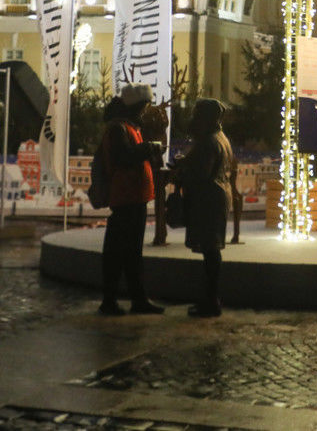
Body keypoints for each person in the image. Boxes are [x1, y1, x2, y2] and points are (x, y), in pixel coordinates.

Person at [98, 84, 164, 316]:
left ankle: (136, 299)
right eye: (145, 106)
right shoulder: (119, 129)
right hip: (126, 198)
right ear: (136, 106)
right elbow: (123, 158)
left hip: (133, 197)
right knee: (121, 251)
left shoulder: (128, 127)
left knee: (130, 251)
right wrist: (148, 148)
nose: (147, 110)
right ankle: (113, 300)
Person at [176, 98, 234, 317]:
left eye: (197, 113)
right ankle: (210, 298)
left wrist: (183, 172)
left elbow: (202, 173)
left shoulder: (209, 141)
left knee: (211, 250)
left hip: (210, 200)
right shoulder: (219, 137)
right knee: (212, 249)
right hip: (217, 197)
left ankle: (211, 301)